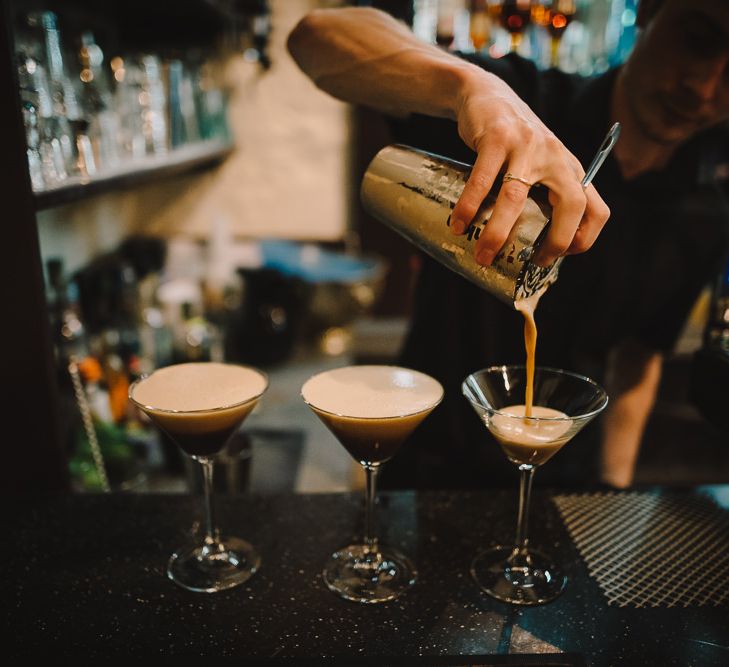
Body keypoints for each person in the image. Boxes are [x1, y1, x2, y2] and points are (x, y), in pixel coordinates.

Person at [287, 1, 729, 489]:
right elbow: (316, 36)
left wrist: (613, 495)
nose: (704, 89)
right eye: (698, 40)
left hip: (565, 483)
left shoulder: (709, 212)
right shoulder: (523, 109)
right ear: (648, 11)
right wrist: (474, 89)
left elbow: (641, 358)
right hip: (429, 466)